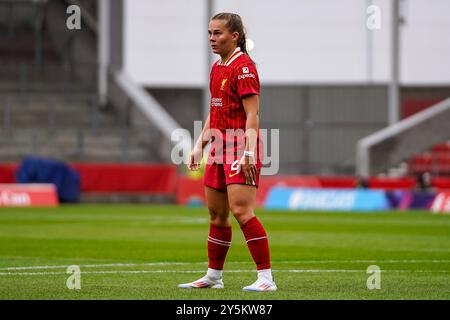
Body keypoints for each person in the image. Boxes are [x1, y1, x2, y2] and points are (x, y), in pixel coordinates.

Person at [178, 12, 277, 292]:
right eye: (210, 33)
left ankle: (266, 279)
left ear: (235, 36)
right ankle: (213, 276)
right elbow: (215, 110)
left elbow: (253, 114)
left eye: (218, 33)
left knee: (241, 211)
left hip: (238, 147)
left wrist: (248, 153)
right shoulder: (217, 67)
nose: (212, 38)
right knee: (216, 214)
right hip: (219, 148)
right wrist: (200, 145)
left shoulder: (244, 67)